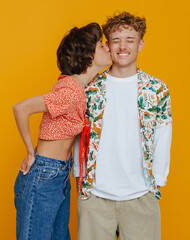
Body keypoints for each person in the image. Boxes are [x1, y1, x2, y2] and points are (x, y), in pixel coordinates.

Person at [74, 11, 173, 240]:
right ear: (108, 46)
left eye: (130, 40)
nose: (123, 47)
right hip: (95, 196)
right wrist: (80, 179)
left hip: (141, 195)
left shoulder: (157, 90)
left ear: (140, 44)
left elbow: (163, 135)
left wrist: (156, 184)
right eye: (116, 40)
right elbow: (81, 134)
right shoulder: (90, 88)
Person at [12, 23, 111, 240]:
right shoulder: (71, 91)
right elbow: (21, 108)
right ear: (89, 56)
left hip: (59, 174)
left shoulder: (81, 84)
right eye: (102, 45)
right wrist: (30, 152)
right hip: (44, 174)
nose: (108, 48)